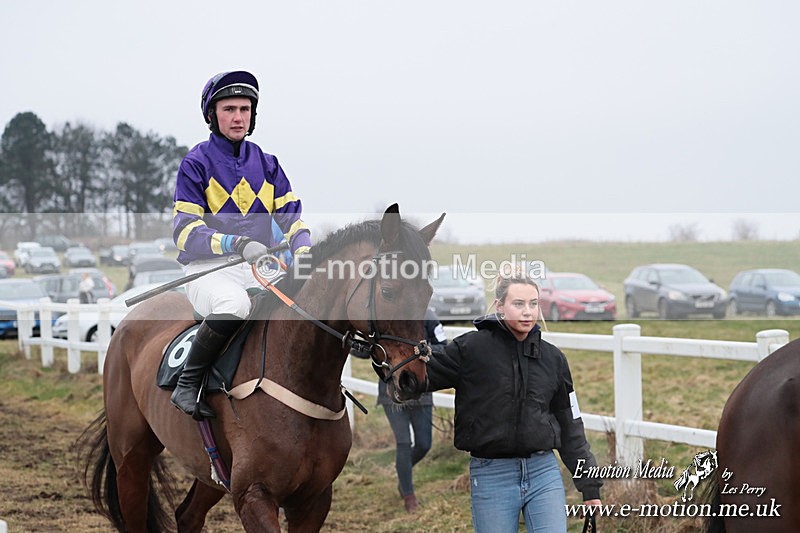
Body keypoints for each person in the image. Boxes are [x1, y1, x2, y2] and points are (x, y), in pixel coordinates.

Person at [171, 70, 312, 419]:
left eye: (245, 110)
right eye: (229, 109)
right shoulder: (196, 163)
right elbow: (184, 232)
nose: (238, 117)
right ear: (211, 115)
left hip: (258, 268)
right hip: (207, 269)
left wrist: (306, 252)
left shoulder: (267, 164)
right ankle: (188, 383)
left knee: (301, 307)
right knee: (234, 306)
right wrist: (237, 243)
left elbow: (292, 219)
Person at [426, 266, 602, 532]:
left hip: (543, 472)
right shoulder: (470, 350)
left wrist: (589, 485)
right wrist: (383, 348)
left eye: (533, 303)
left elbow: (570, 424)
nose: (528, 311)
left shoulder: (553, 359)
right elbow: (417, 377)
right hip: (491, 474)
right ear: (500, 306)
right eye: (518, 304)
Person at [377, 307, 447, 513]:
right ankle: (409, 495)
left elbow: (443, 346)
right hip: (393, 392)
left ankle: (402, 472)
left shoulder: (429, 316)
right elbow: (370, 349)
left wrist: (425, 353)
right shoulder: (387, 318)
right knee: (404, 443)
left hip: (421, 391)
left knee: (424, 444)